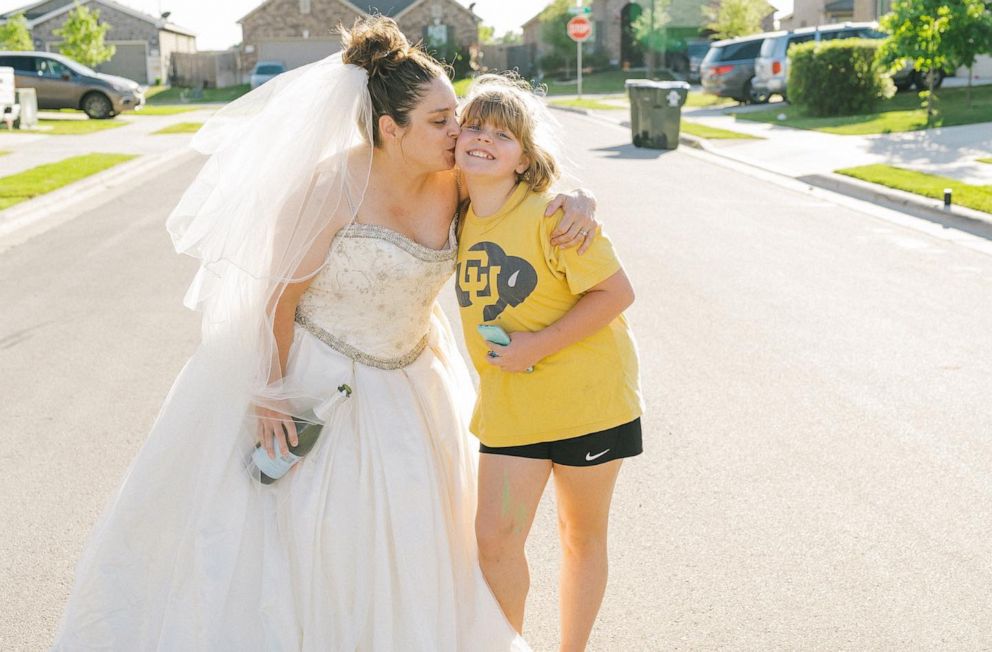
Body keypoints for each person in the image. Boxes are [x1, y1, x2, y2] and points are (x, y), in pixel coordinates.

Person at [52, 18, 599, 651]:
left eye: (458, 114)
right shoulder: (331, 187)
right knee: (311, 539)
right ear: (391, 129)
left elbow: (529, 189)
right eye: (441, 120)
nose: (461, 131)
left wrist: (578, 198)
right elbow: (275, 300)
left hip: (415, 378)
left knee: (418, 535)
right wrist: (268, 391)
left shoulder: (458, 184)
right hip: (315, 372)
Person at [453, 75, 644, 651]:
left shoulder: (553, 215)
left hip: (589, 406)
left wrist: (536, 346)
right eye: (475, 127)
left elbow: (616, 293)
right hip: (510, 411)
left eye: (503, 135)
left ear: (524, 158)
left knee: (579, 537)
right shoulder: (455, 212)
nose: (484, 140)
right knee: (495, 541)